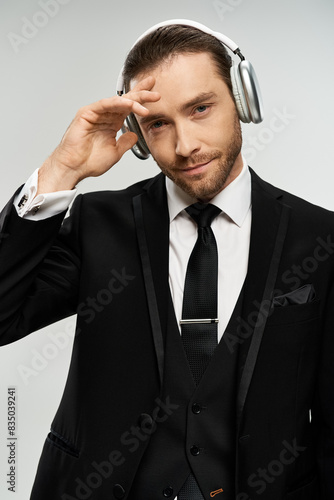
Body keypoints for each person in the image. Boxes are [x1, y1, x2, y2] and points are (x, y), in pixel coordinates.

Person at [0, 19, 333, 500]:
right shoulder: (99, 222)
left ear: (242, 101)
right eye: (159, 124)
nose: (185, 146)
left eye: (201, 108)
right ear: (137, 132)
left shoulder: (320, 237)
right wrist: (62, 169)